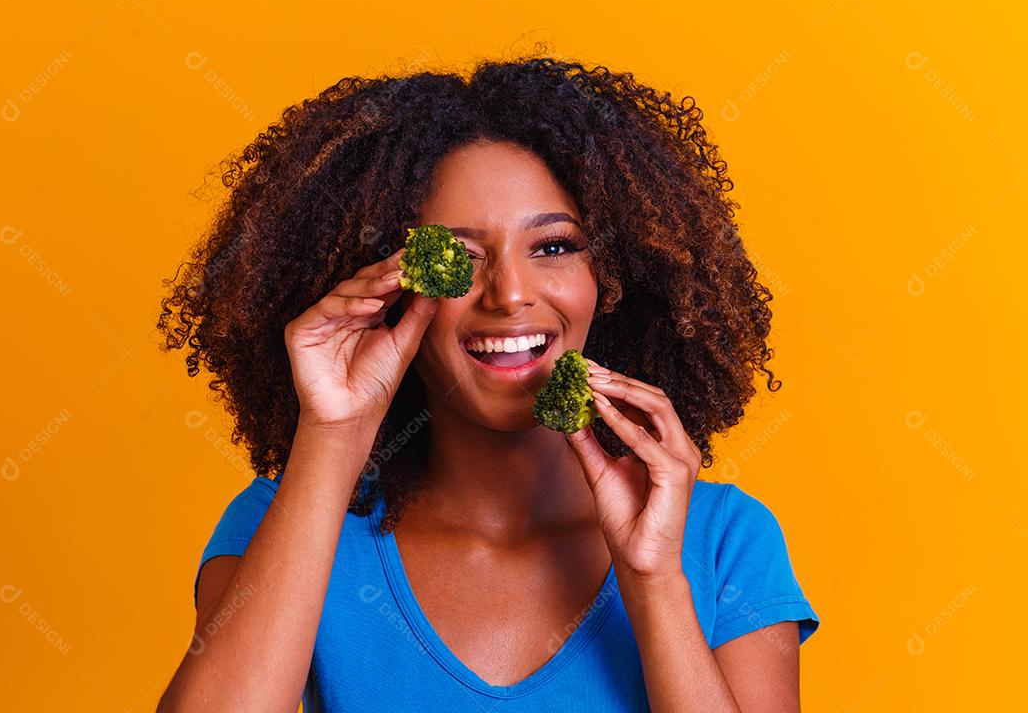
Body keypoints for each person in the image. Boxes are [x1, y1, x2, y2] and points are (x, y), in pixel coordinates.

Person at [156, 52, 819, 712]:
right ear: (388, 289)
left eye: (554, 246)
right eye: (457, 257)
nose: (508, 294)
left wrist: (654, 582)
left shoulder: (722, 540)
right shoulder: (287, 523)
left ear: (615, 279)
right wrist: (333, 433)